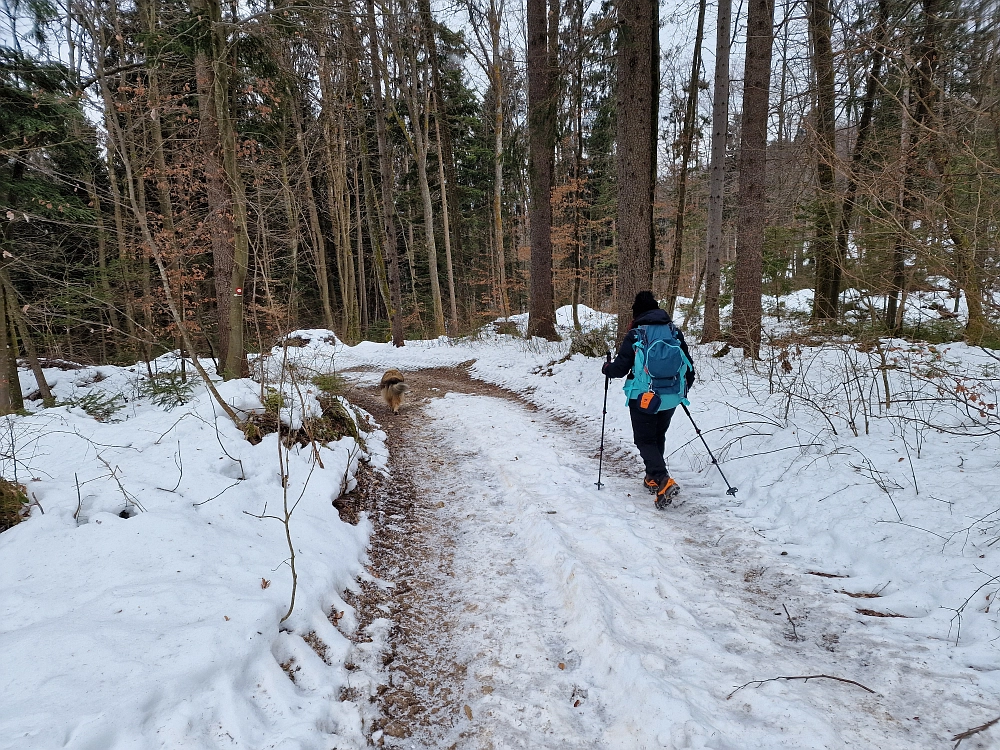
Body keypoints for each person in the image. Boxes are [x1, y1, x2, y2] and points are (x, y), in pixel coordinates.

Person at [602, 291, 695, 507]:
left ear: (637, 313)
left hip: (644, 397)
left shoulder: (636, 334)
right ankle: (652, 477)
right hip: (671, 396)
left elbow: (619, 369)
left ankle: (663, 480)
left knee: (645, 440)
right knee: (657, 435)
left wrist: (607, 368)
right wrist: (681, 391)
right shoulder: (674, 332)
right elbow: (689, 367)